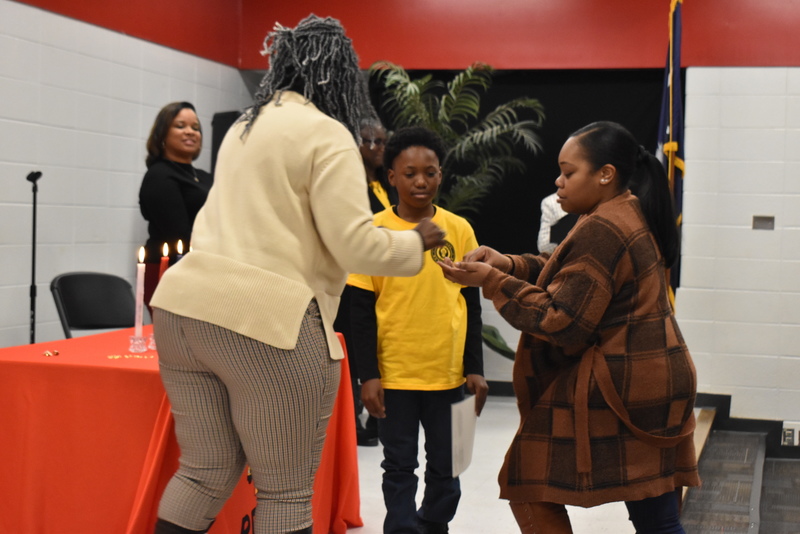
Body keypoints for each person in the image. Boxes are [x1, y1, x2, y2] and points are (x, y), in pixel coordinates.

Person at [149, 15, 446, 534]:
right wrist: (415, 240)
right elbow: (354, 243)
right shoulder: (326, 134)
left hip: (181, 310)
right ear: (341, 78)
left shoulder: (245, 125)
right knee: (284, 492)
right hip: (267, 320)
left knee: (203, 471)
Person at [439, 121, 699, 534]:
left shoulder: (603, 226)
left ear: (605, 174)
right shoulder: (626, 209)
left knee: (526, 480)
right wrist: (507, 264)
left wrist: (491, 282)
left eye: (568, 172)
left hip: (623, 383)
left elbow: (564, 320)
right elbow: (573, 275)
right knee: (657, 516)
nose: (558, 182)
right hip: (657, 378)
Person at [348, 126, 490, 534]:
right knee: (399, 466)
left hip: (448, 376)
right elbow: (361, 311)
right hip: (395, 376)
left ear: (441, 175)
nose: (421, 181)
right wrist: (369, 376)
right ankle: (402, 529)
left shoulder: (458, 228)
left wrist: (474, 367)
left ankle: (433, 525)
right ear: (391, 176)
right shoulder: (372, 231)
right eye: (409, 173)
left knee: (449, 467)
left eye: (429, 172)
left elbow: (471, 302)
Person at [334, 117, 394, 447]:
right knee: (352, 351)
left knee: (371, 346)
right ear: (357, 144)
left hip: (379, 278)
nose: (381, 147)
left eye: (384, 141)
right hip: (349, 280)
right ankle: (351, 417)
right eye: (375, 141)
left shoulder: (383, 186)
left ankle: (374, 415)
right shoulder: (349, 185)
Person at [139, 101, 212, 308]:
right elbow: (178, 233)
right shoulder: (160, 175)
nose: (190, 132)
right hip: (169, 270)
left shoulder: (205, 177)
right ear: (162, 135)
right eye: (180, 126)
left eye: (195, 128)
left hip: (204, 268)